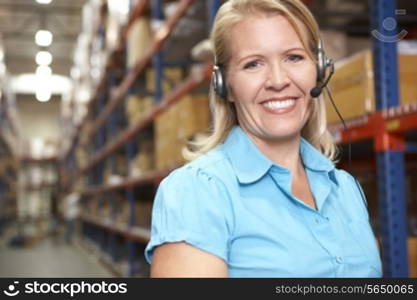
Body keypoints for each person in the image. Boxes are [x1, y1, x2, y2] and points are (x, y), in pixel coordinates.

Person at [144, 0, 382, 277]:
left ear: (318, 69)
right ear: (225, 86)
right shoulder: (197, 192)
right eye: (253, 64)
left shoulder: (345, 189)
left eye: (294, 57)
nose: (278, 80)